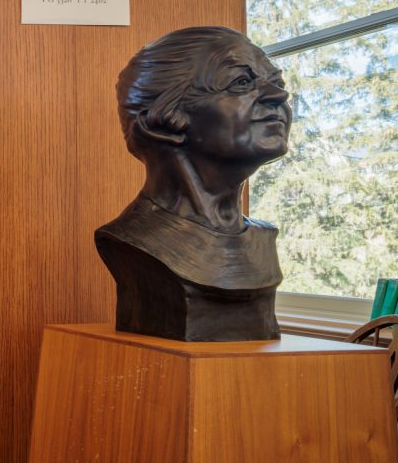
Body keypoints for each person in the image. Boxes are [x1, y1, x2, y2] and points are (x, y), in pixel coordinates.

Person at [95, 26, 290, 341]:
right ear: (162, 120)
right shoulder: (134, 242)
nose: (279, 95)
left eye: (277, 83)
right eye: (241, 82)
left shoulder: (263, 241)